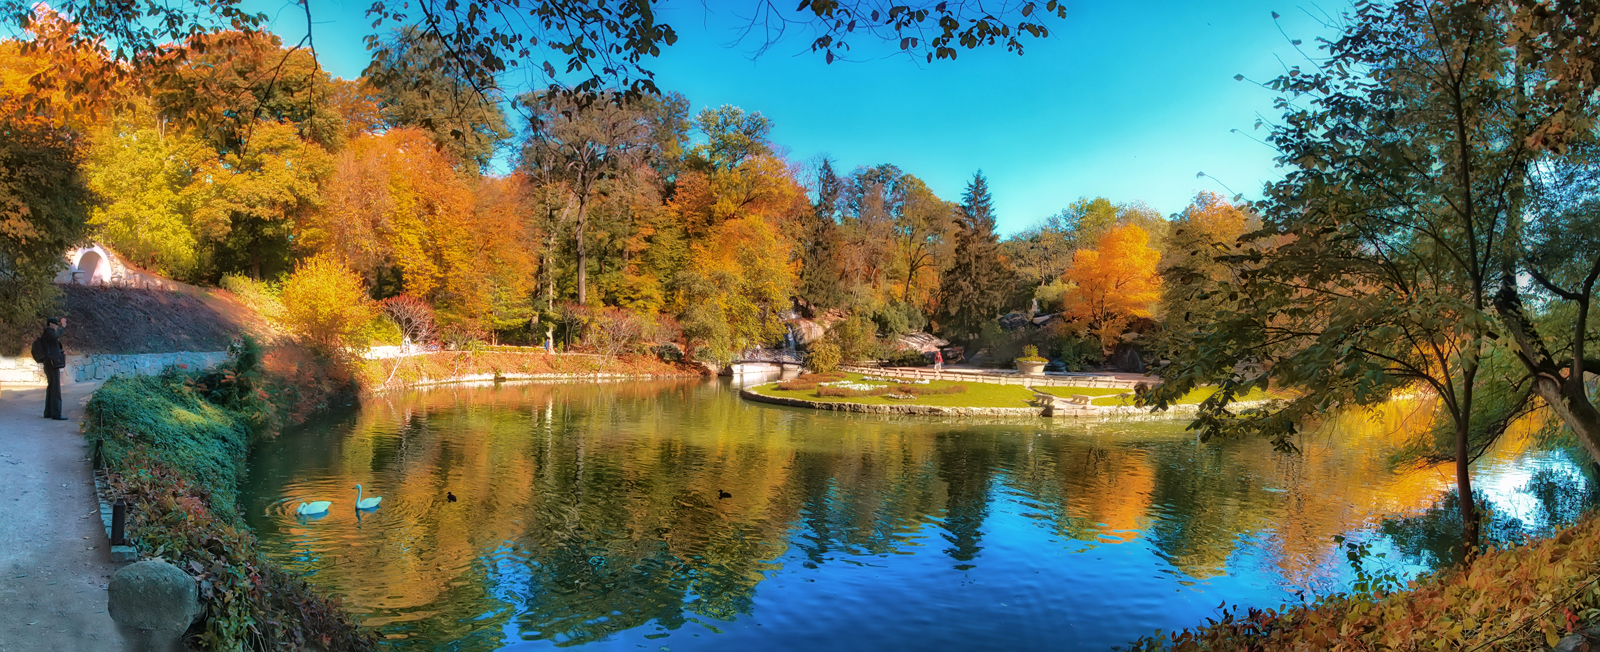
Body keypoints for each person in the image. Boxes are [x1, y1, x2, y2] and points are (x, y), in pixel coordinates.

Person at [39, 317, 67, 420]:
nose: (57, 326)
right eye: (56, 324)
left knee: (52, 387)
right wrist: (63, 326)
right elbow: (56, 336)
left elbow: (52, 349)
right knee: (55, 388)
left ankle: (49, 412)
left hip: (50, 363)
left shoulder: (48, 334)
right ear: (50, 324)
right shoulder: (49, 332)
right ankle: (56, 413)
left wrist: (62, 353)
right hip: (51, 364)